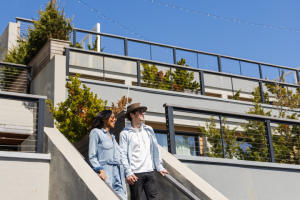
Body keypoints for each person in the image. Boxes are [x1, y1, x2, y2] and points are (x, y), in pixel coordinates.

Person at [119, 103, 169, 200]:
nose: (143, 114)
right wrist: (128, 172)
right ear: (132, 115)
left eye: (143, 111)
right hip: (135, 174)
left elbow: (155, 149)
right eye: (140, 111)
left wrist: (159, 167)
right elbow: (123, 155)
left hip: (150, 172)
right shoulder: (125, 134)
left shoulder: (148, 130)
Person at [89, 110, 127, 200]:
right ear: (103, 118)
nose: (114, 119)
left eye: (115, 117)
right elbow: (92, 156)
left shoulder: (113, 137)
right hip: (106, 172)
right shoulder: (96, 133)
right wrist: (100, 170)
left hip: (118, 175)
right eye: (112, 117)